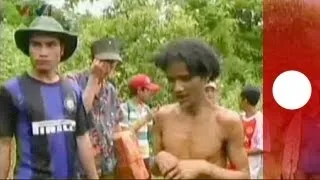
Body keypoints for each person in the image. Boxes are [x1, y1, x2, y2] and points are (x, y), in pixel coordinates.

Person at [0, 16, 98, 179]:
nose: (43, 52)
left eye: (50, 45)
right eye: (36, 45)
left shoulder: (73, 90)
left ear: (61, 50)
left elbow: (83, 139)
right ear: (28, 48)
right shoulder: (12, 90)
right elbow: (3, 144)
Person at [151, 38, 249, 179]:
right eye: (171, 80)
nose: (177, 88)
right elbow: (155, 170)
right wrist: (159, 158)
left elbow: (245, 175)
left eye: (185, 78)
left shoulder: (227, 121)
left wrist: (206, 168)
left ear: (206, 76)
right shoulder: (163, 117)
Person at [66, 37, 123, 179]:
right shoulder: (73, 81)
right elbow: (76, 116)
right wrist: (92, 80)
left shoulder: (110, 89)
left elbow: (116, 125)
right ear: (93, 60)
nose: (107, 68)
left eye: (112, 63)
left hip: (107, 164)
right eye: (104, 62)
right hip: (80, 165)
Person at [119, 74, 160, 178]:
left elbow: (149, 133)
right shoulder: (124, 108)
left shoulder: (146, 108)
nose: (151, 94)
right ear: (139, 91)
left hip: (145, 157)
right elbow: (126, 133)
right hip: (131, 159)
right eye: (148, 90)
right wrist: (146, 119)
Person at [239, 85, 263, 179]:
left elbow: (262, 147)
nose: (239, 102)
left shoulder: (260, 120)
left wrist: (243, 152)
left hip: (251, 170)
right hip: (236, 167)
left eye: (241, 99)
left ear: (245, 100)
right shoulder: (239, 118)